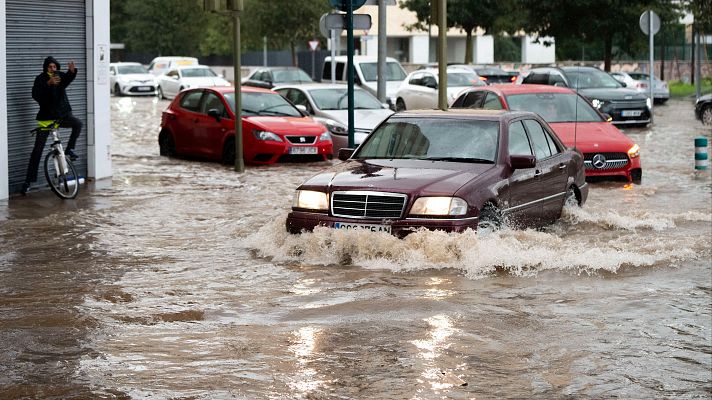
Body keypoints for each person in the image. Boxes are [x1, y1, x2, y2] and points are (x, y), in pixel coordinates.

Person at [21, 56, 82, 194]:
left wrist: (72, 72)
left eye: (54, 66)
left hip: (61, 115)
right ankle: (28, 181)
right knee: (37, 150)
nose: (53, 69)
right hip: (46, 118)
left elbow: (67, 80)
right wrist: (48, 83)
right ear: (45, 68)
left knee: (78, 124)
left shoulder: (59, 76)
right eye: (50, 67)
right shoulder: (40, 79)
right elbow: (35, 95)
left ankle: (69, 150)